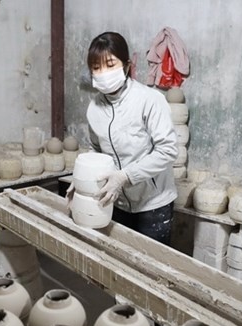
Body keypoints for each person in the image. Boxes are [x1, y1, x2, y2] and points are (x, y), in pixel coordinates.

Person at [71, 31, 179, 245]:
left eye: (110, 64)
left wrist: (125, 176)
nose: (103, 72)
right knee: (118, 262)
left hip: (153, 202)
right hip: (115, 200)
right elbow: (95, 149)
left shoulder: (149, 100)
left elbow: (167, 150)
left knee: (150, 270)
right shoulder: (94, 108)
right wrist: (82, 181)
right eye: (96, 67)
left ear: (127, 66)